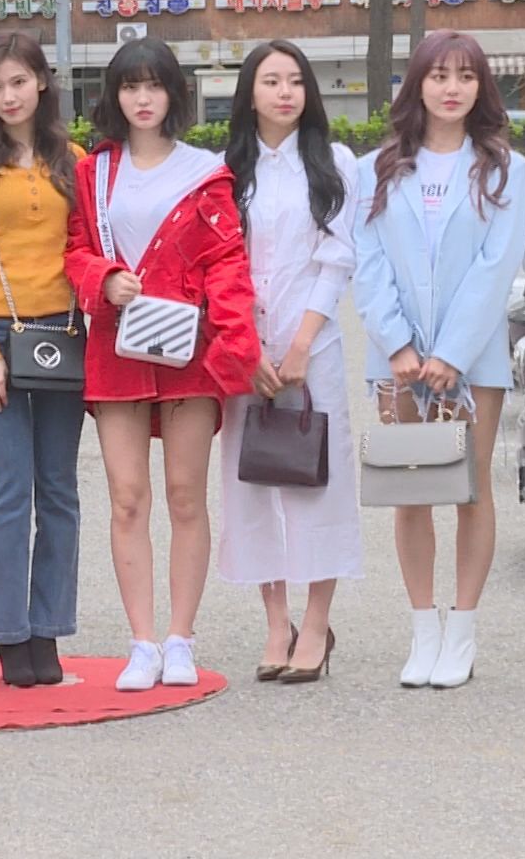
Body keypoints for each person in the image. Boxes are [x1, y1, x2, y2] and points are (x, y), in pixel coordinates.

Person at [65, 37, 261, 692]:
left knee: (184, 495)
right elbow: (73, 250)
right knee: (127, 497)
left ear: (175, 94)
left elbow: (227, 260)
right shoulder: (94, 173)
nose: (143, 99)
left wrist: (233, 344)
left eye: (154, 86)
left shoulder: (206, 171)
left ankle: (181, 638)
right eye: (130, 86)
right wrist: (102, 277)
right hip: (115, 349)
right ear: (114, 96)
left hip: (187, 352)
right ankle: (141, 642)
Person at [354, 29, 525, 690]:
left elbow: (496, 267)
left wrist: (452, 352)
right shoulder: (377, 168)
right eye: (439, 75)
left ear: (481, 88)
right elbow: (367, 262)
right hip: (397, 360)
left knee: (469, 488)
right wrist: (398, 345)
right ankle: (423, 627)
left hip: (472, 359)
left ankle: (463, 629)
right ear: (418, 85)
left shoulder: (508, 170)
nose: (452, 88)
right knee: (413, 489)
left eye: (466, 76)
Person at [0, 32, 87, 688]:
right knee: (11, 486)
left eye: (19, 82)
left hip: (63, 333)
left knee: (59, 488)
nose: (8, 96)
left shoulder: (72, 159)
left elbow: (85, 247)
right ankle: (7, 632)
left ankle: (48, 627)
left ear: (42, 82)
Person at [217, 40, 361, 685]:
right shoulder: (227, 170)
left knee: (316, 484)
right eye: (271, 81)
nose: (285, 92)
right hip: (243, 353)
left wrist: (301, 344)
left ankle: (317, 622)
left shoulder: (334, 163)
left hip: (313, 351)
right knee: (254, 485)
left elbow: (337, 261)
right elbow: (220, 265)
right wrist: (246, 345)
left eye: (296, 81)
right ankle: (277, 624)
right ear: (249, 92)